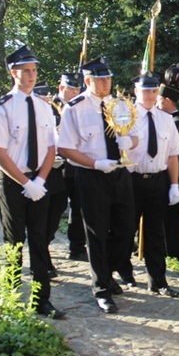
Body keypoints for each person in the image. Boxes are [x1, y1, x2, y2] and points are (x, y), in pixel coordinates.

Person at [0, 45, 64, 319]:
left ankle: (43, 300)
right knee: (14, 241)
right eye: (26, 71)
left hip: (39, 181)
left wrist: (40, 180)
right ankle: (12, 296)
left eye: (34, 70)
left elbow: (51, 147)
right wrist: (24, 182)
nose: (32, 75)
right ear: (13, 73)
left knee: (39, 241)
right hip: (11, 181)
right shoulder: (1, 108)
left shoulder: (44, 108)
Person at [57, 56, 137, 314]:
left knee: (126, 230)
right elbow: (66, 148)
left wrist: (129, 144)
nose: (105, 83)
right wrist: (94, 164)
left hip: (119, 172)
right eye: (100, 79)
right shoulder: (75, 108)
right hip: (92, 176)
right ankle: (101, 287)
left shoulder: (120, 104)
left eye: (108, 78)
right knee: (97, 232)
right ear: (87, 80)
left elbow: (134, 135)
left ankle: (107, 272)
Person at [117, 71, 179, 297]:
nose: (149, 95)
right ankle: (123, 270)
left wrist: (174, 185)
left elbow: (173, 154)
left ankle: (158, 280)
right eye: (145, 91)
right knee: (127, 228)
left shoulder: (166, 119)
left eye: (154, 91)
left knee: (156, 233)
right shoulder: (125, 116)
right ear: (136, 91)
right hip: (132, 180)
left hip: (158, 181)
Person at [52, 73, 88, 262]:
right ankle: (45, 244)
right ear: (61, 88)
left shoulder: (80, 108)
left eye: (77, 89)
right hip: (55, 167)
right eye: (70, 88)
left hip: (75, 165)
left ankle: (77, 247)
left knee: (78, 207)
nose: (74, 92)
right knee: (54, 208)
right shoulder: (48, 107)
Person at [156, 64, 179, 261]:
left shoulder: (178, 121)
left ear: (167, 100)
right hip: (158, 173)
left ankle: (175, 250)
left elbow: (174, 151)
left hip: (171, 173)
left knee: (170, 216)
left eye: (159, 99)